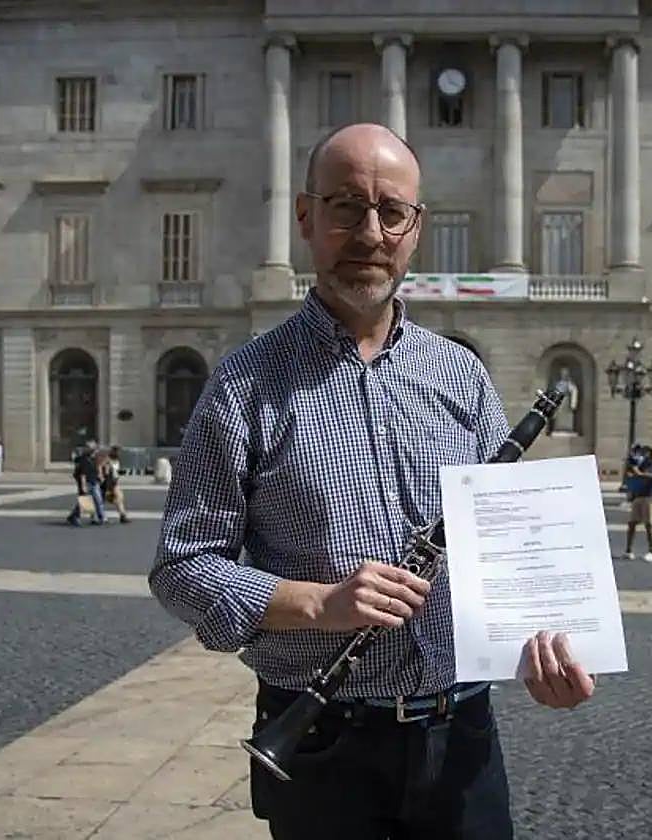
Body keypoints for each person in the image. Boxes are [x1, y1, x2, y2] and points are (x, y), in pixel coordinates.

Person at [149, 123, 595, 840]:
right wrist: (318, 603)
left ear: (417, 228)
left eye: (392, 211)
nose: (370, 231)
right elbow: (181, 568)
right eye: (346, 207)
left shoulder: (462, 376)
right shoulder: (242, 386)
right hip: (323, 747)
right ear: (306, 219)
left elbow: (509, 558)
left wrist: (552, 650)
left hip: (463, 741)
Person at [622, 447, 652, 562]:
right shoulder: (640, 465)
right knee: (632, 524)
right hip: (638, 496)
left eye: (646, 453)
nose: (644, 455)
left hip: (650, 497)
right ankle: (628, 550)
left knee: (649, 525)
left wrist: (640, 474)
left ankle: (651, 551)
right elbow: (632, 476)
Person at [67, 440, 105, 526]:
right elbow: (82, 474)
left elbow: (98, 467)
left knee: (97, 500)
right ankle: (74, 517)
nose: (95, 450)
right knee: (85, 501)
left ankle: (99, 517)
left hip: (94, 481)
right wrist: (83, 486)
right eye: (92, 448)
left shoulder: (94, 458)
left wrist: (100, 476)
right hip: (86, 482)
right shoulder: (83, 459)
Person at [102, 445, 130, 524]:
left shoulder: (116, 460)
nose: (118, 453)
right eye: (116, 451)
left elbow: (115, 471)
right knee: (101, 500)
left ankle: (122, 515)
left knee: (119, 498)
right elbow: (106, 472)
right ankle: (97, 515)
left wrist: (120, 473)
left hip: (115, 482)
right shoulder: (107, 460)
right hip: (108, 483)